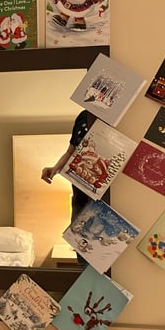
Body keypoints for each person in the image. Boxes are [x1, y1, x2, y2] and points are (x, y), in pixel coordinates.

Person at [41, 110, 110, 267]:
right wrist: (55, 168)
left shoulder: (118, 120)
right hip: (80, 193)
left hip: (104, 197)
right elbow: (71, 152)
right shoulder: (83, 117)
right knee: (82, 253)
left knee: (105, 254)